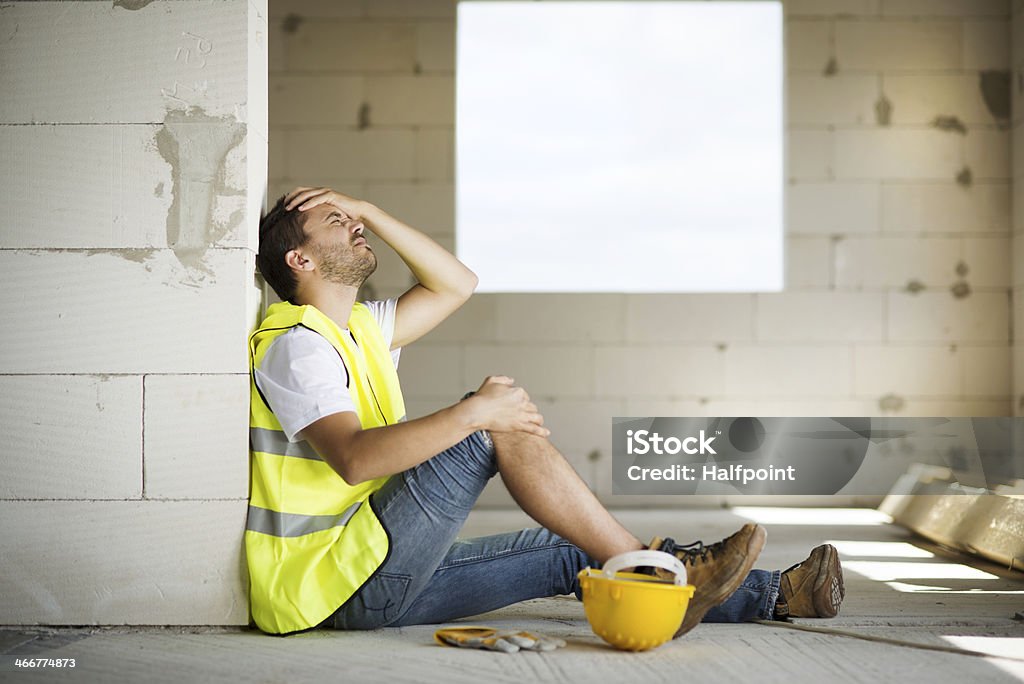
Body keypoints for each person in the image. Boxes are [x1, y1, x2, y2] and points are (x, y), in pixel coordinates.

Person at [246, 186, 845, 637]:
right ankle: (672, 569)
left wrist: (367, 207)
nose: (353, 225)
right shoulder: (298, 343)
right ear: (299, 261)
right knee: (488, 429)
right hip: (332, 583)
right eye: (336, 221)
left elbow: (457, 282)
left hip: (370, 578)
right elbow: (352, 460)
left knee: (578, 548)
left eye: (352, 218)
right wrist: (477, 413)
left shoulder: (355, 331)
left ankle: (780, 595)